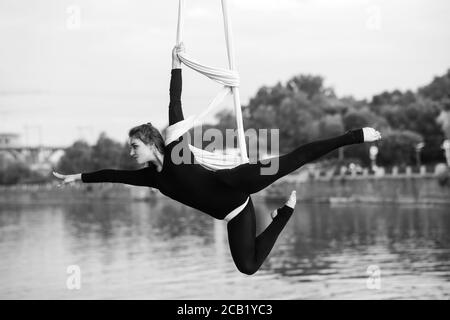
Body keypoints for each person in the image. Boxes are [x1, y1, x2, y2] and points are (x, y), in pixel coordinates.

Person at [54, 44, 381, 275]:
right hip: (234, 212)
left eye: (134, 146)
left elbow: (174, 101)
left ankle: (352, 136)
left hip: (237, 182)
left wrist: (175, 64)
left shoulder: (175, 149)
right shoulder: (152, 178)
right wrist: (76, 177)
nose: (131, 152)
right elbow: (112, 174)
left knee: (295, 159)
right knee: (248, 267)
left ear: (151, 142)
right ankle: (283, 216)